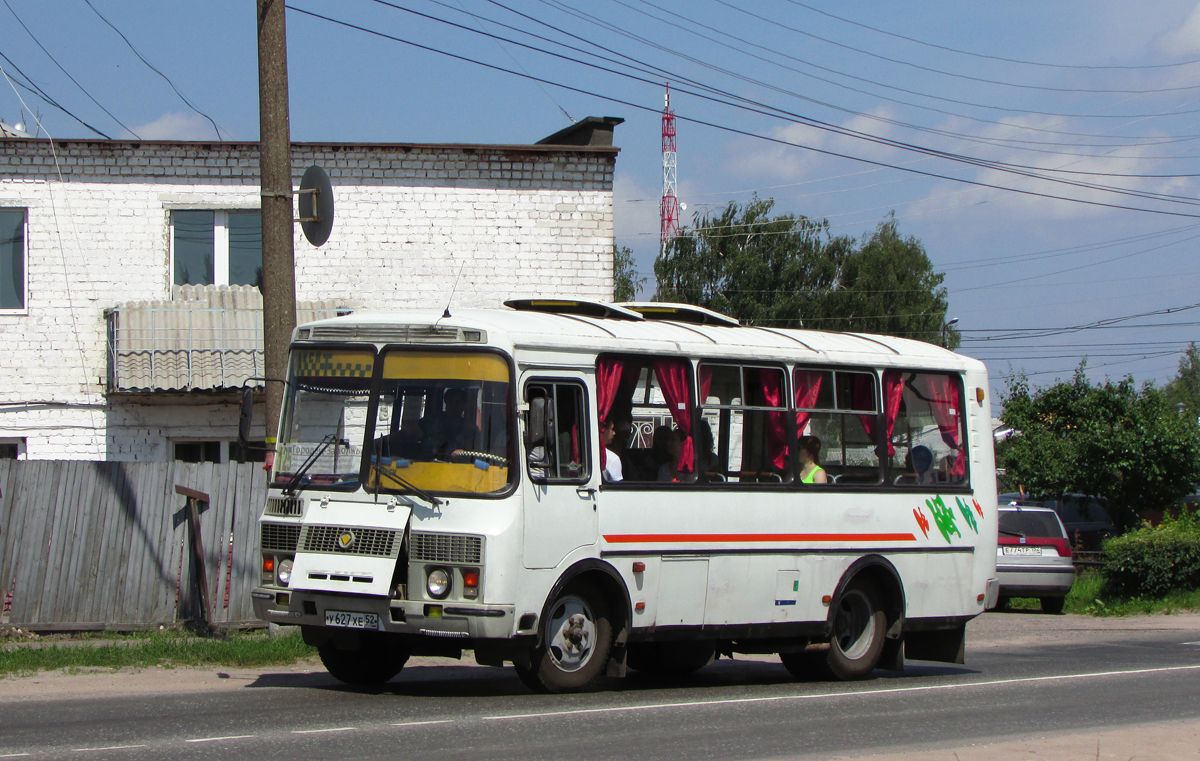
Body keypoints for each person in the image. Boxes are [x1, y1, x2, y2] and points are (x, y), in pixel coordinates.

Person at [419, 387, 478, 459]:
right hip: (426, 464)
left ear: (464, 405)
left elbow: (476, 450)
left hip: (460, 467)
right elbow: (416, 436)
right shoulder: (430, 422)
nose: (454, 405)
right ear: (446, 401)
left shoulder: (470, 428)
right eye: (451, 401)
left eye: (458, 402)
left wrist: (464, 452)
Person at [601, 418, 623, 482]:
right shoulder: (613, 458)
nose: (614, 433)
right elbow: (617, 489)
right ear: (603, 430)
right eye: (611, 429)